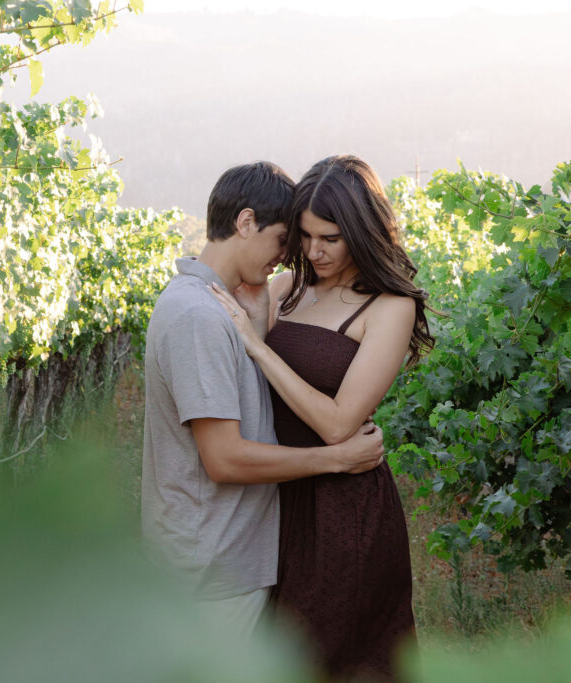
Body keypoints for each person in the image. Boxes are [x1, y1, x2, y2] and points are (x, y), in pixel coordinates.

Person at [141, 161, 386, 642]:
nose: (288, 257)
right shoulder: (199, 316)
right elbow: (225, 458)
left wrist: (257, 335)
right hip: (212, 565)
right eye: (282, 240)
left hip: (216, 558)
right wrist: (336, 458)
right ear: (246, 222)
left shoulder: (215, 306)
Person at [209, 155, 434, 679]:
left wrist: (258, 346)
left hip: (344, 510)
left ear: (362, 229)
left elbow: (338, 424)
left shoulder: (389, 307)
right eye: (305, 236)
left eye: (330, 237)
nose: (314, 251)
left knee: (326, 660)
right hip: (274, 493)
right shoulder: (285, 289)